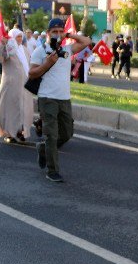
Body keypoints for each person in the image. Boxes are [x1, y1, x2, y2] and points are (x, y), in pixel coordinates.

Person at [28, 19, 91, 183]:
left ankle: (43, 149)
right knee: (51, 134)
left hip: (64, 98)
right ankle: (52, 170)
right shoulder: (40, 51)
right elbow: (32, 74)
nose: (57, 33)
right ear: (48, 33)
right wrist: (47, 63)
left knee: (67, 132)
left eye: (60, 31)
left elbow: (86, 41)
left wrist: (68, 35)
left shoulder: (67, 49)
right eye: (54, 31)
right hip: (47, 97)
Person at [0, 28, 33, 144]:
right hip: (11, 85)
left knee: (24, 109)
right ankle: (9, 133)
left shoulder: (25, 50)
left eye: (20, 36)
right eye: (17, 36)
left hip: (25, 86)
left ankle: (22, 132)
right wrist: (2, 45)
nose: (19, 39)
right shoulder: (8, 48)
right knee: (11, 109)